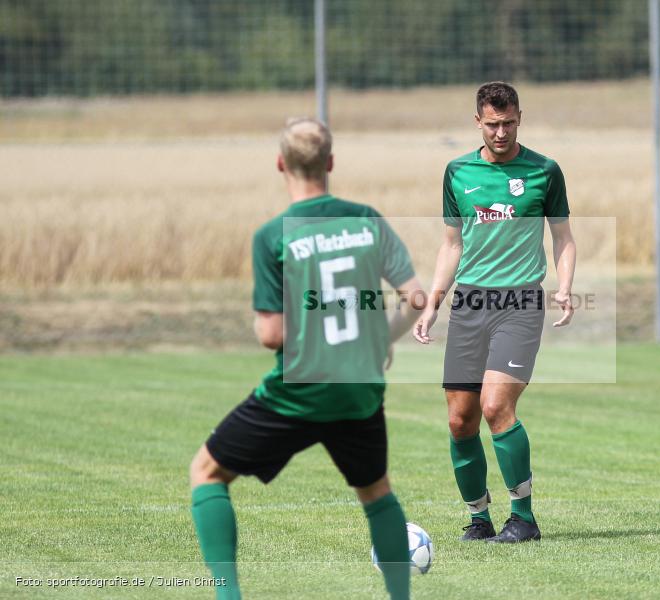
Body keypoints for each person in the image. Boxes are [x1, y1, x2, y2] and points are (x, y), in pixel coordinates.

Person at [189, 117, 424, 599]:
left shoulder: (273, 236)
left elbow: (271, 334)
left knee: (207, 472)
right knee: (376, 491)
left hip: (298, 391)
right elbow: (417, 299)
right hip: (358, 389)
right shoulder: (366, 218)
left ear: (281, 164)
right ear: (330, 162)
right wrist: (381, 339)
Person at [413, 82, 576, 543]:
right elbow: (452, 245)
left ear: (520, 118)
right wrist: (433, 302)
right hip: (470, 303)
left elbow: (563, 237)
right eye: (492, 124)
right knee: (459, 420)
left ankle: (523, 518)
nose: (501, 133)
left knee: (495, 406)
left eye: (508, 123)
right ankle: (480, 518)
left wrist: (564, 287)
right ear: (477, 122)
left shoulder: (544, 171)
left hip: (520, 303)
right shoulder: (457, 172)